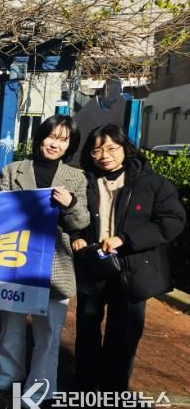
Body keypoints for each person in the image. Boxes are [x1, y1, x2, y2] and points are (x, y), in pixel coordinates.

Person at [72, 124, 185, 392]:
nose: (104, 155)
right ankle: (85, 389)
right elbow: (70, 214)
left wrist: (125, 239)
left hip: (133, 270)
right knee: (86, 330)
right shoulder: (84, 181)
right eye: (97, 150)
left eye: (112, 148)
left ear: (125, 148)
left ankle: (113, 392)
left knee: (123, 336)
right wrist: (76, 235)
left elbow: (172, 221)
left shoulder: (152, 183)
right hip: (93, 265)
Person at [0, 115, 89, 402]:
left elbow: (81, 222)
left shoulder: (76, 177)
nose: (55, 144)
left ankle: (42, 384)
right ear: (40, 137)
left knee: (49, 330)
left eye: (63, 140)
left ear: (70, 145)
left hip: (55, 263)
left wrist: (70, 204)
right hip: (15, 259)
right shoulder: (13, 171)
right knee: (11, 322)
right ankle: (8, 372)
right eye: (51, 137)